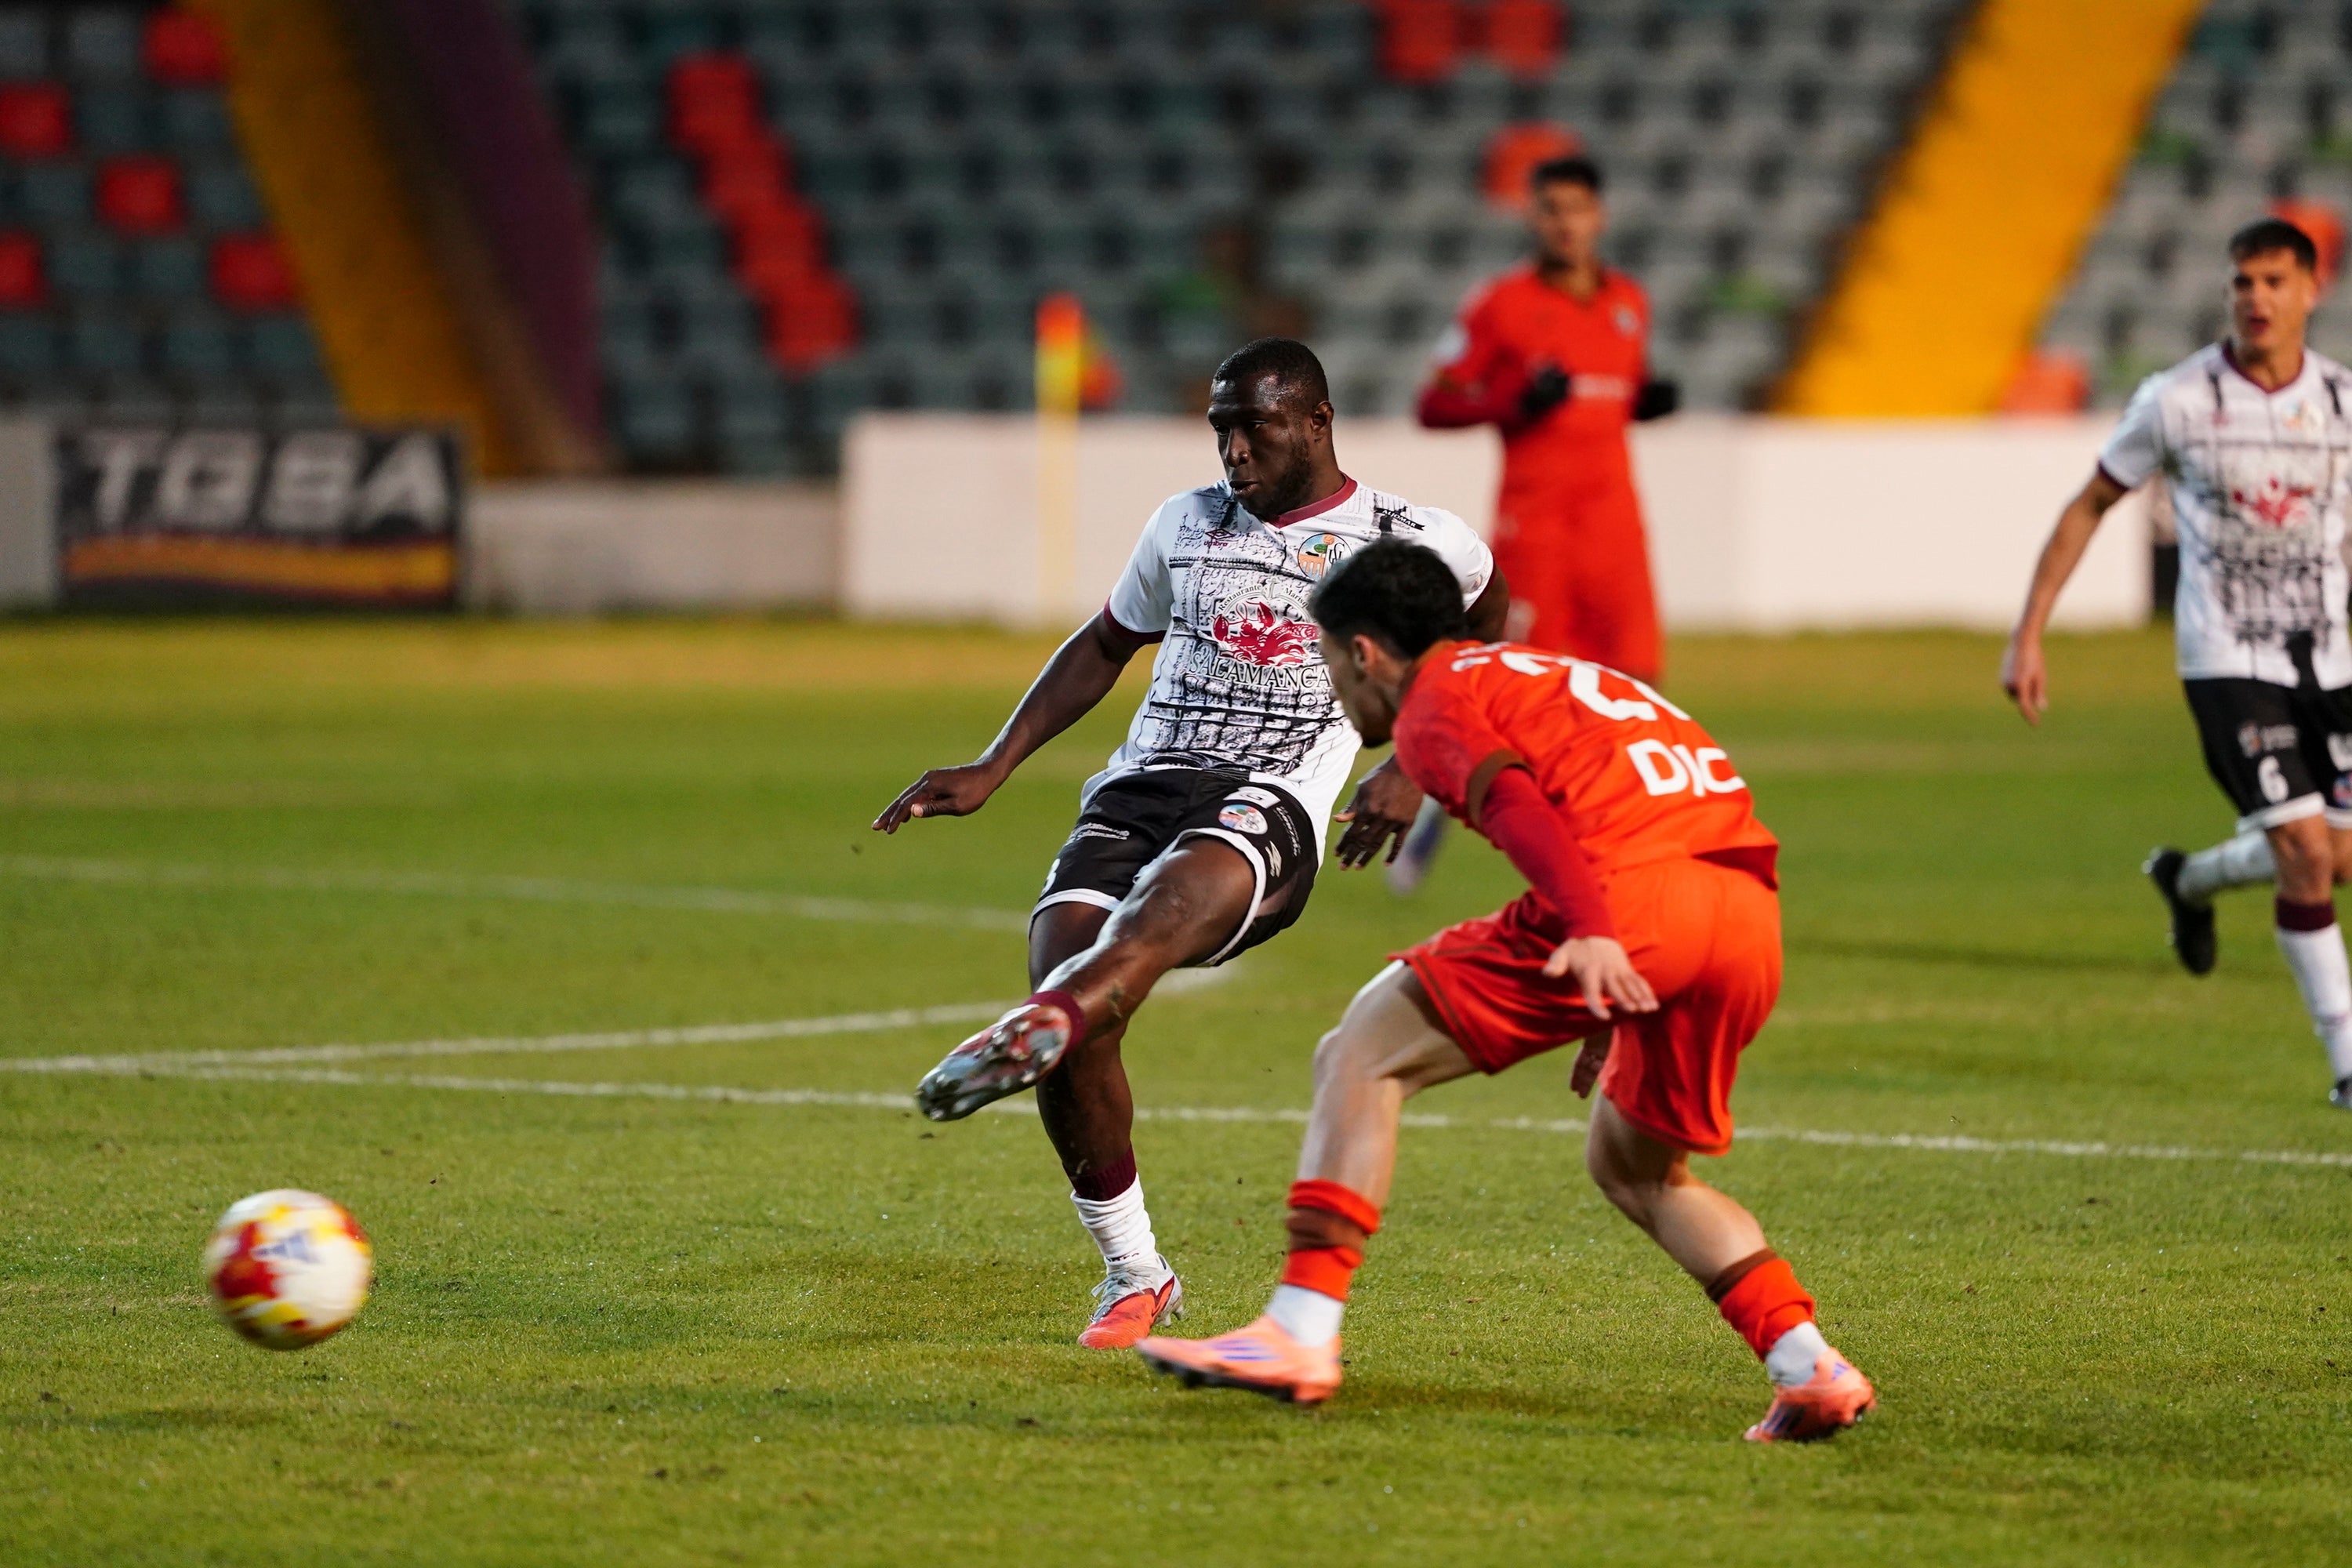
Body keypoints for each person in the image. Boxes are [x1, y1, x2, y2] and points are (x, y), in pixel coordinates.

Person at [1136, 540, 1875, 1443]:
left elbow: (1517, 802)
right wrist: (1623, 979)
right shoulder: (1548, 671)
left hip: (1629, 900)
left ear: (1365, 651)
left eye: (1330, 664)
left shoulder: (1435, 701)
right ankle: (1807, 1364)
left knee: (1364, 1050)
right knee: (1638, 1169)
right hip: (1744, 914)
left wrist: (1602, 933)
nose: (1335, 688)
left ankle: (1298, 1328)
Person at [873, 339, 1510, 1348]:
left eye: (1254, 424)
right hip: (1139, 785)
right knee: (1071, 976)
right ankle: (1134, 1272)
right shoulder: (1184, 521)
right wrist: (996, 764)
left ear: (1316, 421)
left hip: (1273, 798)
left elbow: (1484, 621)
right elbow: (1105, 643)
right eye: (1220, 426)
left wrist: (1415, 762)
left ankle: (1040, 1022)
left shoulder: (1403, 538)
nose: (1233, 448)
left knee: (1132, 936)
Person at [2004, 217, 2352, 1109]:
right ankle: (2348, 1061)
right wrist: (2030, 630)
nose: (2256, 298)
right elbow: (2090, 503)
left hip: (2330, 661)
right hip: (2227, 656)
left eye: (2275, 281)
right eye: (2243, 281)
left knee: (2336, 855)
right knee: (2304, 850)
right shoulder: (2178, 400)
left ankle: (2189, 878)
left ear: (2312, 289)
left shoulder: (2344, 405)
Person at [1393, 154, 1679, 895]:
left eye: (1577, 208)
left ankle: (1608, 833)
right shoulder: (1502, 305)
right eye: (1550, 210)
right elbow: (1434, 404)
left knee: (1635, 675)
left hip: (1614, 515)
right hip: (1537, 520)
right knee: (1522, 688)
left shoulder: (1628, 303)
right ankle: (1431, 807)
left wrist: (1643, 402)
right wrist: (1512, 404)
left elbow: (1616, 393)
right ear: (1533, 218)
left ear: (1600, 215)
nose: (1565, 223)